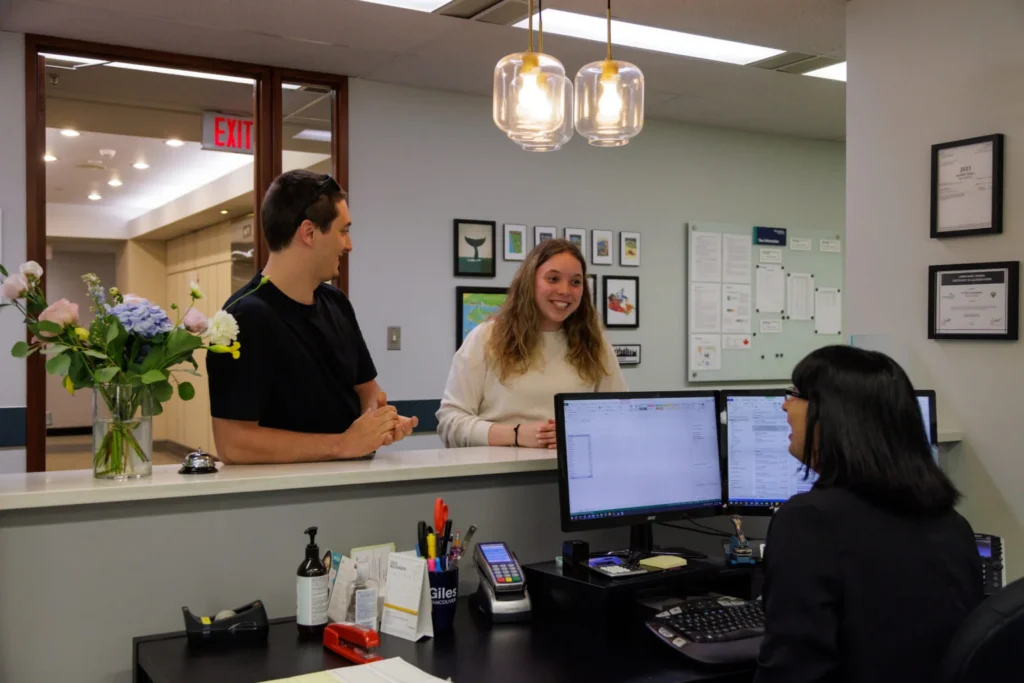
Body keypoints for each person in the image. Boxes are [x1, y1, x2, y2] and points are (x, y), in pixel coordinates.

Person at [755, 345, 983, 683]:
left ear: (832, 416)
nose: (785, 405)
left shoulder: (811, 521)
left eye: (796, 394)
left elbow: (791, 669)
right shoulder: (952, 522)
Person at [207, 170, 417, 464]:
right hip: (285, 491)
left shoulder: (337, 303)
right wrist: (341, 445)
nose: (349, 245)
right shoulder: (243, 318)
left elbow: (368, 390)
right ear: (308, 233)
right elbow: (233, 445)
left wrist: (376, 421)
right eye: (343, 231)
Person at [436, 238, 627, 448]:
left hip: (572, 467)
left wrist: (578, 431)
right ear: (530, 281)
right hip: (497, 468)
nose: (565, 290)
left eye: (575, 282)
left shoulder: (595, 345)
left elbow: (620, 417)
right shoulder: (486, 338)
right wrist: (516, 435)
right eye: (553, 279)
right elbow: (450, 421)